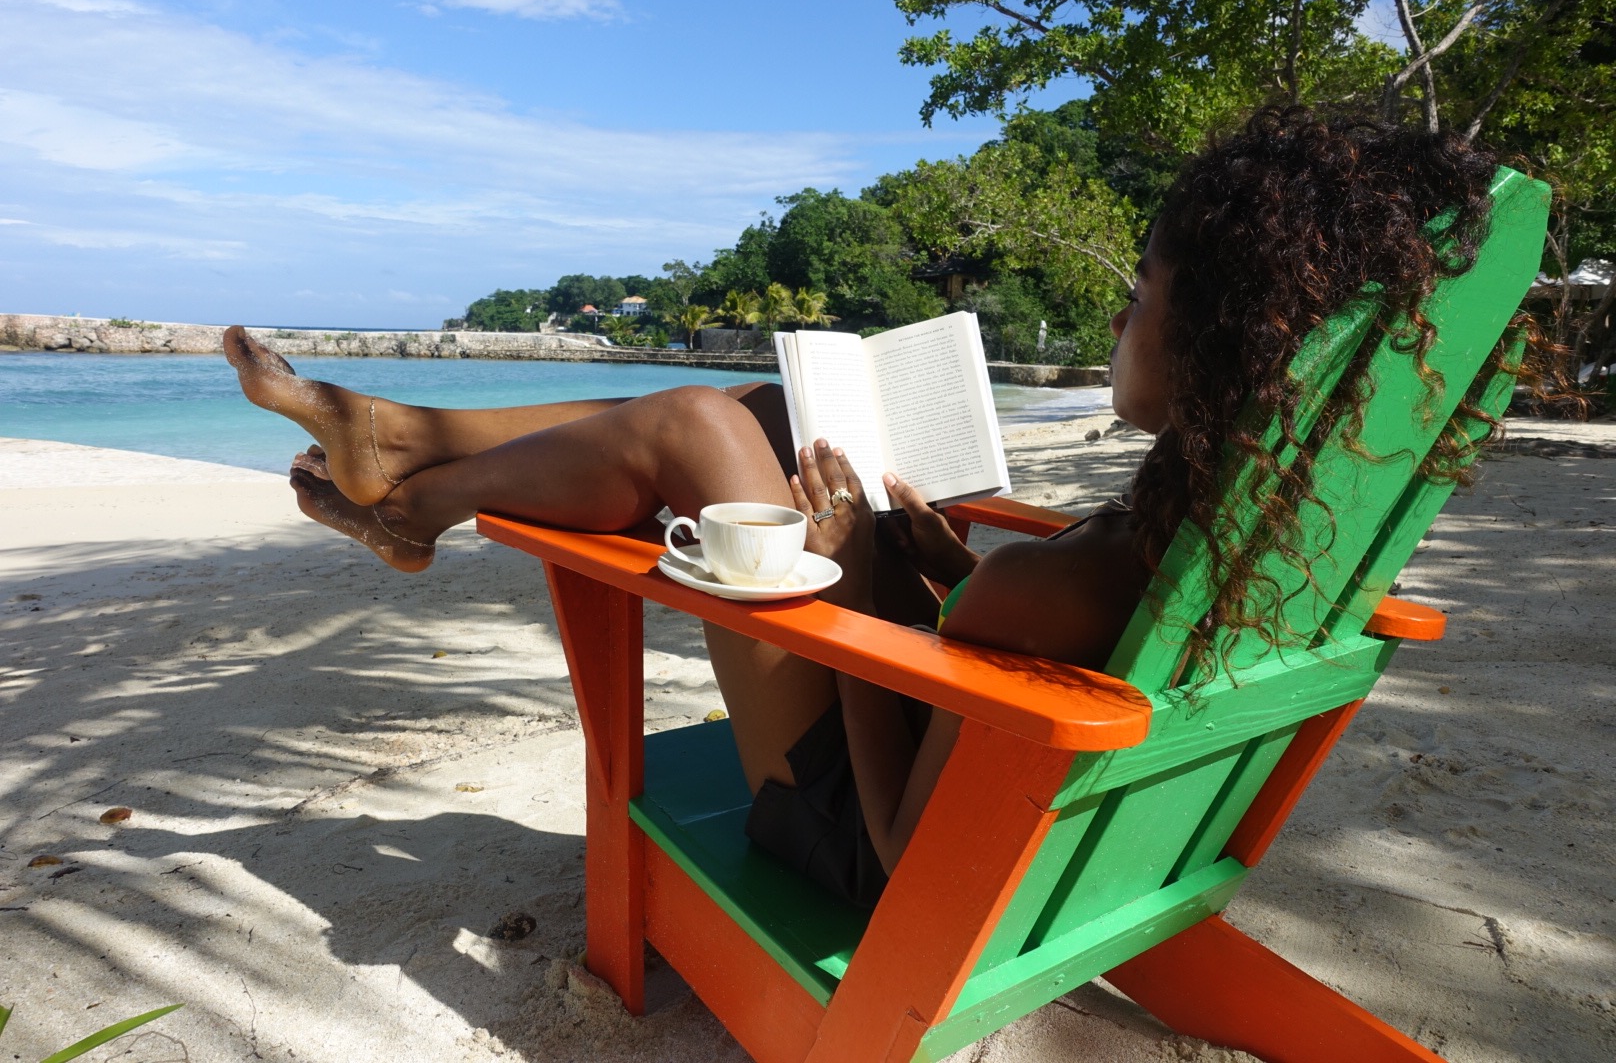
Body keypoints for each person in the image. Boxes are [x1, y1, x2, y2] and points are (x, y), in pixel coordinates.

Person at [226, 107, 1523, 907]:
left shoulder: (1055, 585)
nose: (1120, 318)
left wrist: (859, 579)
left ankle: (415, 501)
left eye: (1142, 293)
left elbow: (902, 846)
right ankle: (400, 445)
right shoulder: (1241, 529)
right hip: (1016, 788)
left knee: (692, 430)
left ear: (1222, 346)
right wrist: (934, 573)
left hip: (853, 826)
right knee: (777, 407)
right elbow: (1014, 635)